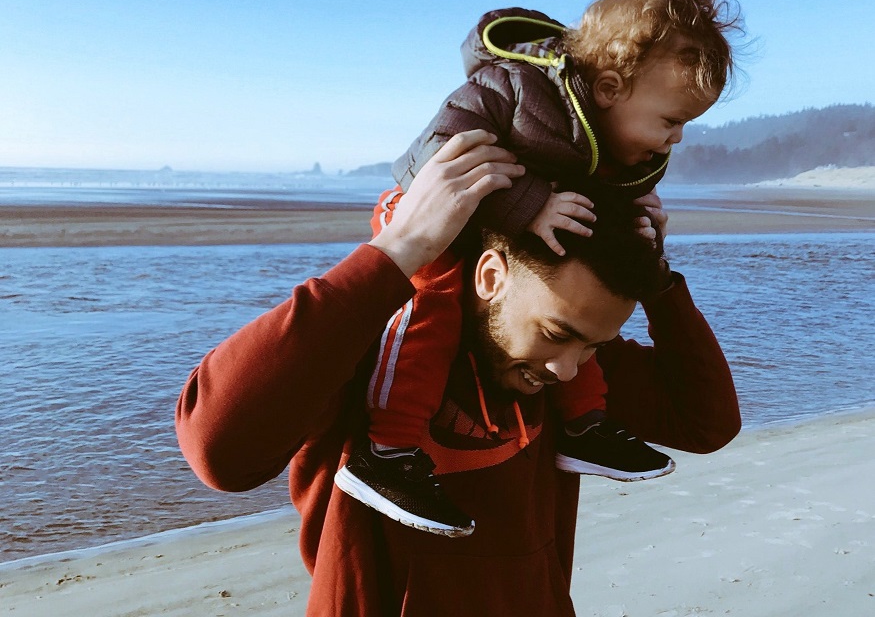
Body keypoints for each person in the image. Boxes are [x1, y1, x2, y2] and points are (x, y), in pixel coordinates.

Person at [176, 130, 741, 616]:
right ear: (491, 276)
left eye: (595, 344)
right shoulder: (373, 345)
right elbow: (218, 453)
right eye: (557, 334)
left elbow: (706, 423)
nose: (569, 369)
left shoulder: (572, 360)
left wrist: (658, 282)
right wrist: (396, 251)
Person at [347, 0, 745, 534]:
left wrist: (644, 253)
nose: (677, 137)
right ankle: (387, 451)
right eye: (672, 121)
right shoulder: (514, 87)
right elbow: (432, 157)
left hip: (518, 242)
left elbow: (709, 423)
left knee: (579, 327)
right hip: (425, 219)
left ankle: (584, 427)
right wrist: (529, 206)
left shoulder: (617, 145)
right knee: (429, 311)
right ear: (610, 88)